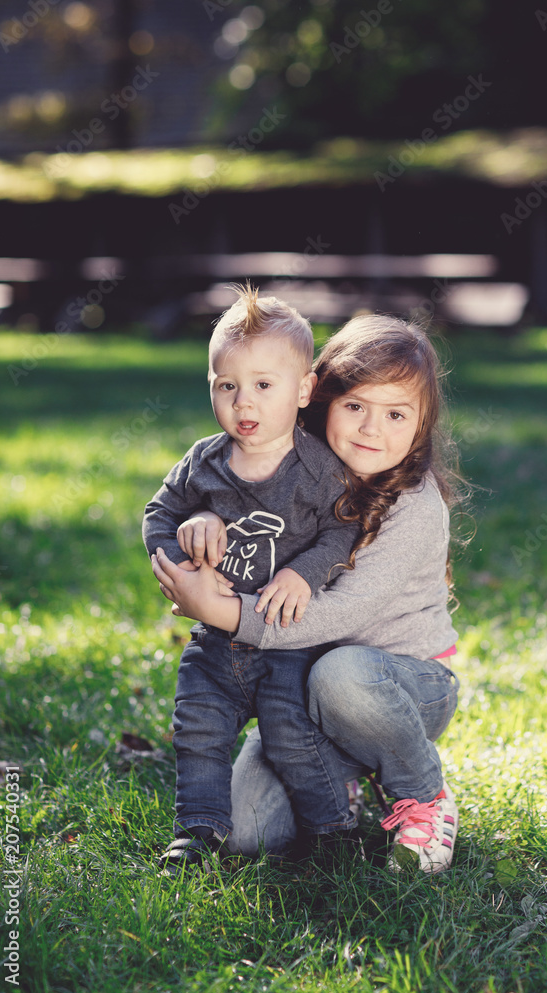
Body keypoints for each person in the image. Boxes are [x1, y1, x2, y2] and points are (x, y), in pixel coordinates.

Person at [152, 313, 464, 874]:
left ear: (421, 424)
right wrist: (202, 516)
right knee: (247, 829)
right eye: (355, 407)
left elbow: (336, 614)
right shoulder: (297, 462)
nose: (372, 429)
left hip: (401, 686)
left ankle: (424, 794)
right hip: (291, 679)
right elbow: (230, 494)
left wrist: (217, 610)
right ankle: (338, 775)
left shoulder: (414, 507)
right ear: (319, 399)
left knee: (340, 673)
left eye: (395, 414)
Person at [143, 284, 360, 871]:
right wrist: (184, 548)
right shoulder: (204, 461)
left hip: (289, 643)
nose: (246, 403)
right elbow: (158, 514)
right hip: (215, 642)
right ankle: (200, 830)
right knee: (198, 729)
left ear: (303, 390)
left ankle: (334, 828)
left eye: (265, 385)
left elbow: (344, 532)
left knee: (293, 734)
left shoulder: (318, 469)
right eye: (227, 386)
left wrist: (303, 574)